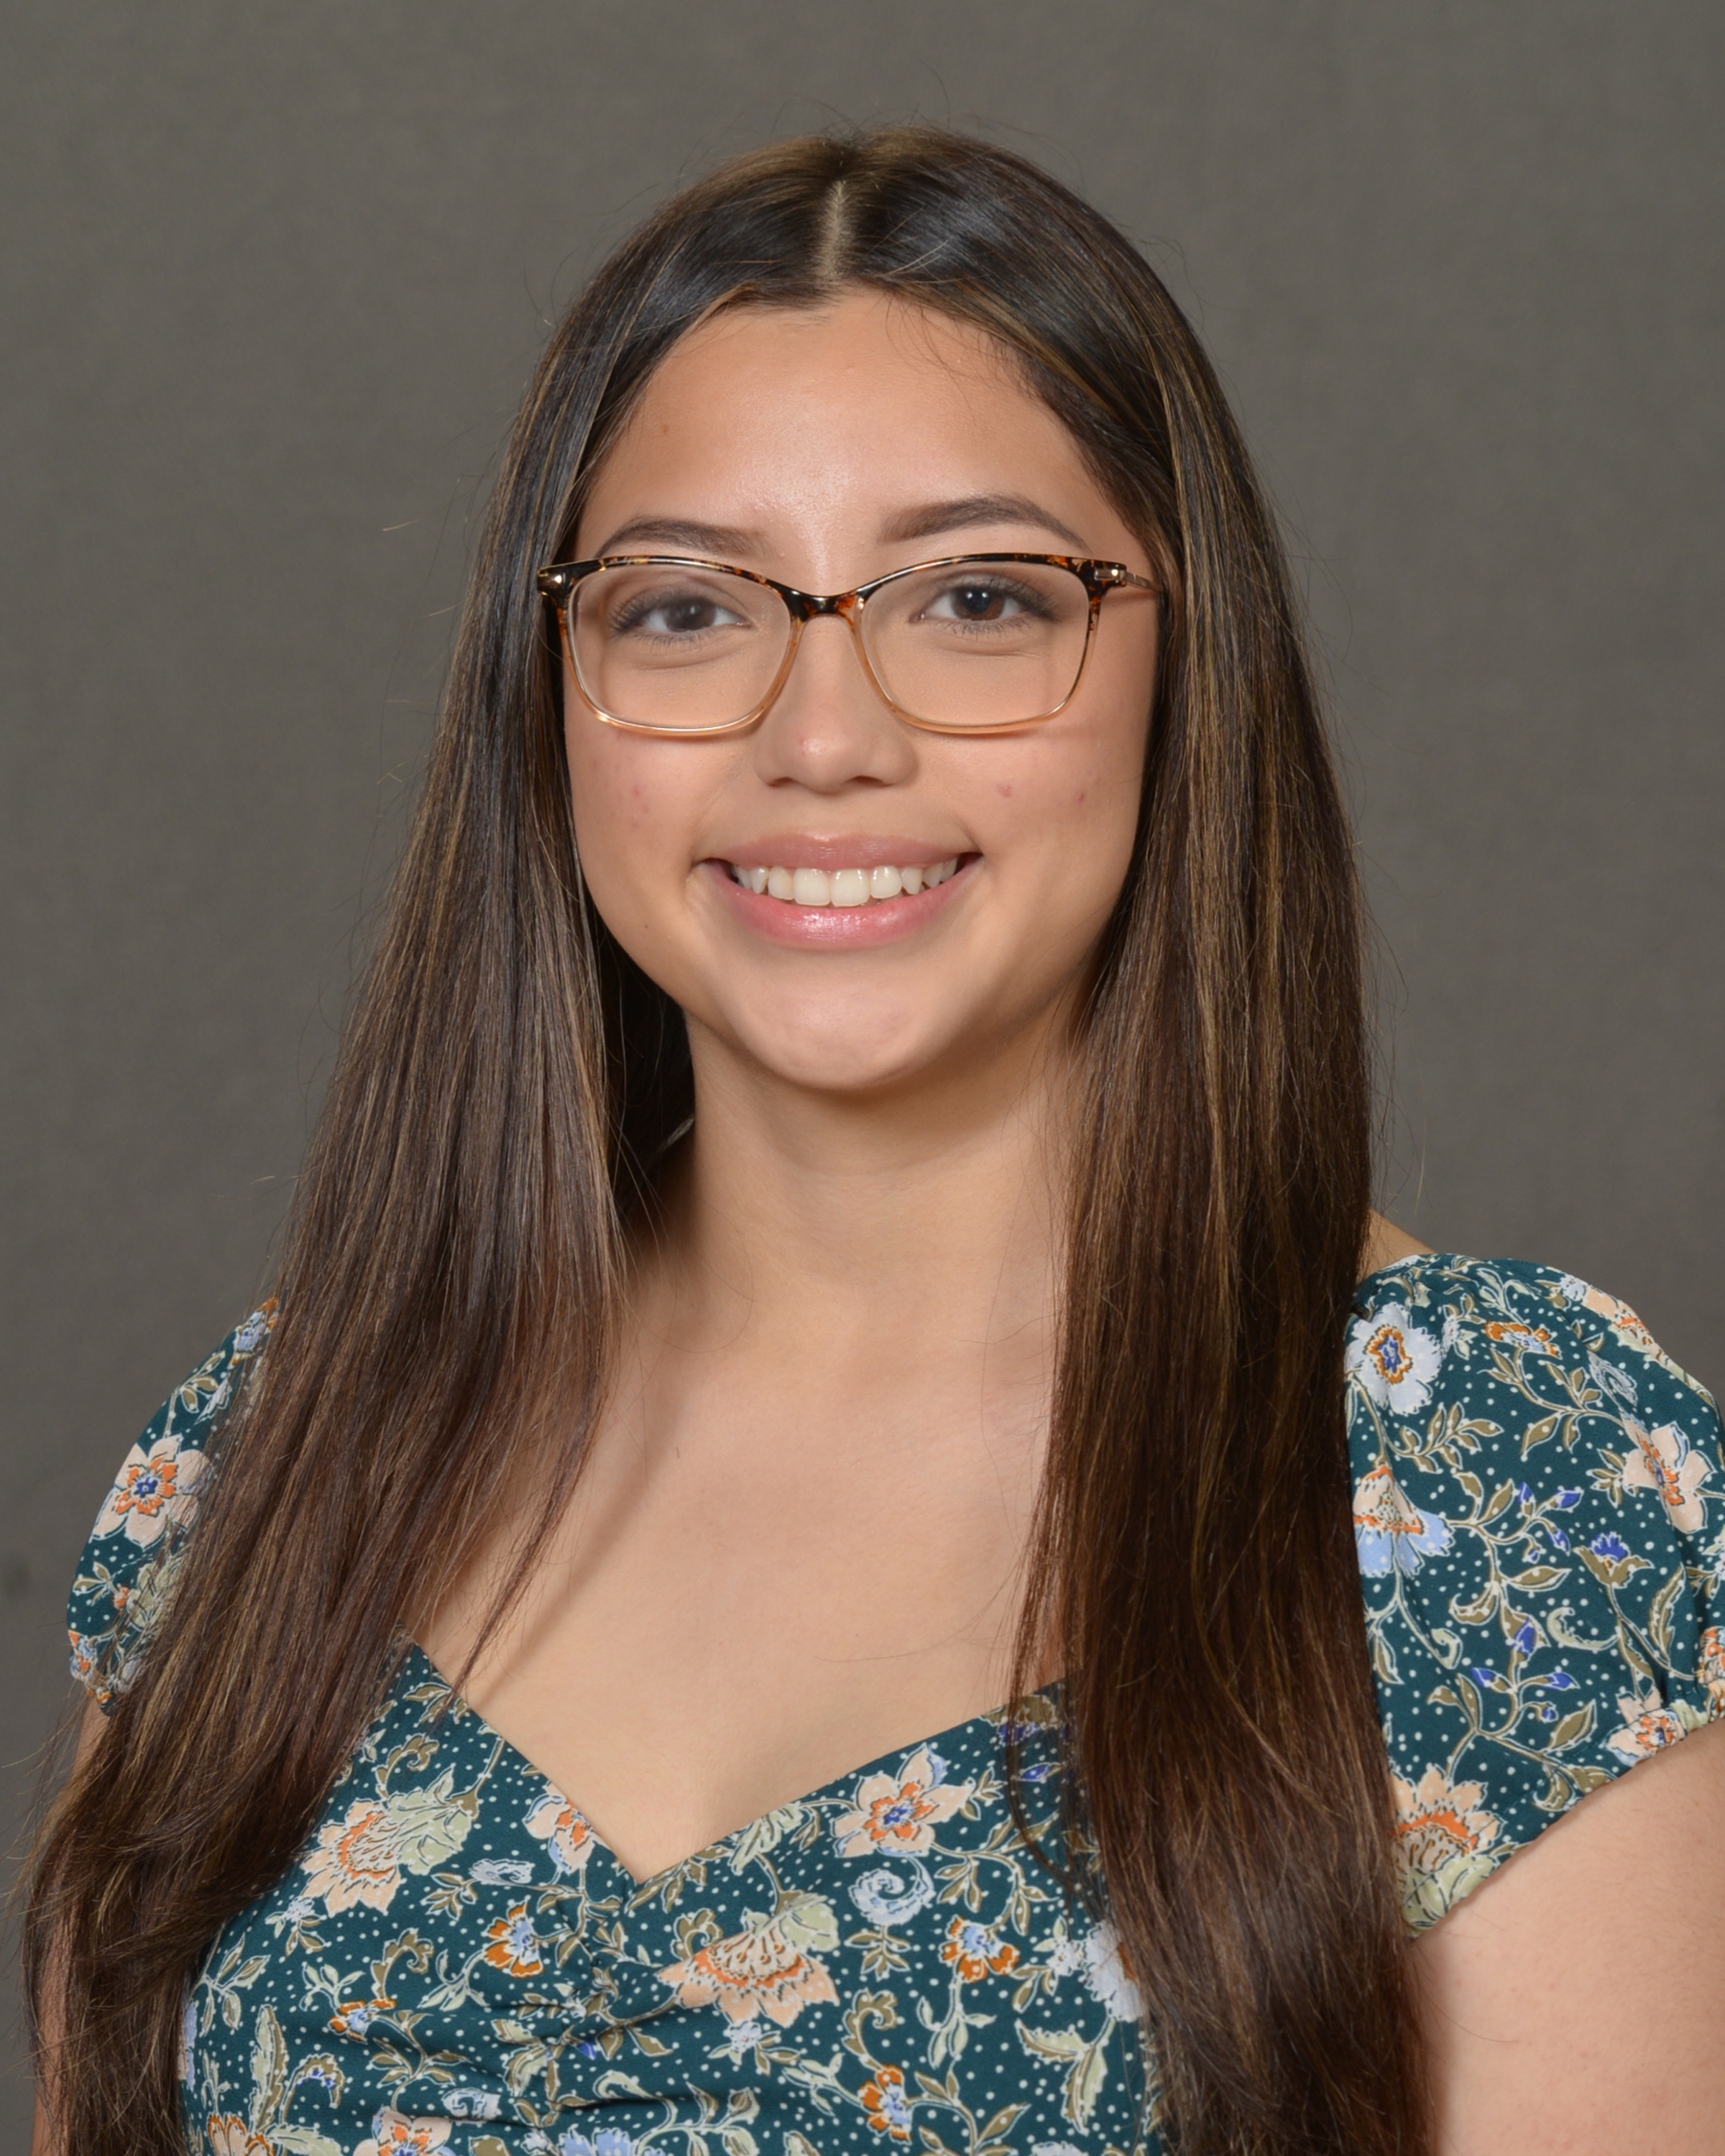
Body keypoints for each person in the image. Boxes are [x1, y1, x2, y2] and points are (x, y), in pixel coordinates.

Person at [25, 126, 1725, 2156]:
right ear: (549, 695)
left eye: (979, 598)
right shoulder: (279, 1460)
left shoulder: (1513, 1491)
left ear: (1186, 667)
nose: (823, 737)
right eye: (684, 609)